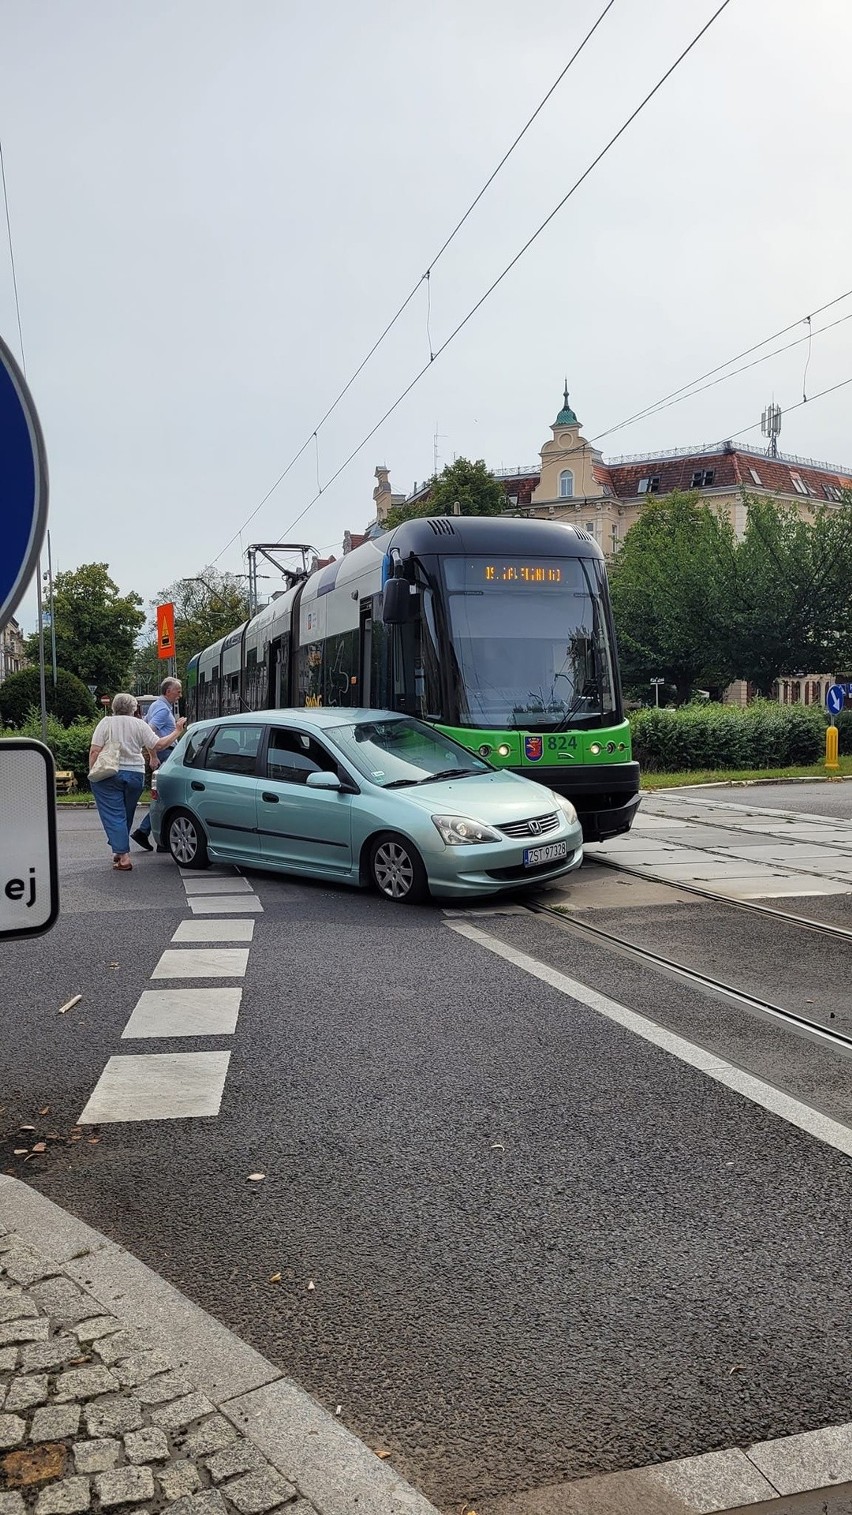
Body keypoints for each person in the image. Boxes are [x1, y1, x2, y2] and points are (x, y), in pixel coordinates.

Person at [88, 693, 178, 871]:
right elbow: (158, 745)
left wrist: (92, 772)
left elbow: (94, 751)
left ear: (114, 707)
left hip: (108, 774)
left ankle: (124, 857)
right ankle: (118, 849)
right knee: (125, 814)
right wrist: (177, 731)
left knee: (114, 815)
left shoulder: (106, 723)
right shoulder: (140, 724)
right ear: (134, 708)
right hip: (135, 774)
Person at [131, 677, 185, 852]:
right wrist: (153, 756)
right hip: (166, 754)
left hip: (164, 753)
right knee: (166, 795)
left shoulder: (156, 705)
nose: (180, 694)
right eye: (178, 691)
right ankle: (145, 832)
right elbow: (150, 732)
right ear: (168, 691)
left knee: (163, 795)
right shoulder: (162, 709)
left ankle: (158, 837)